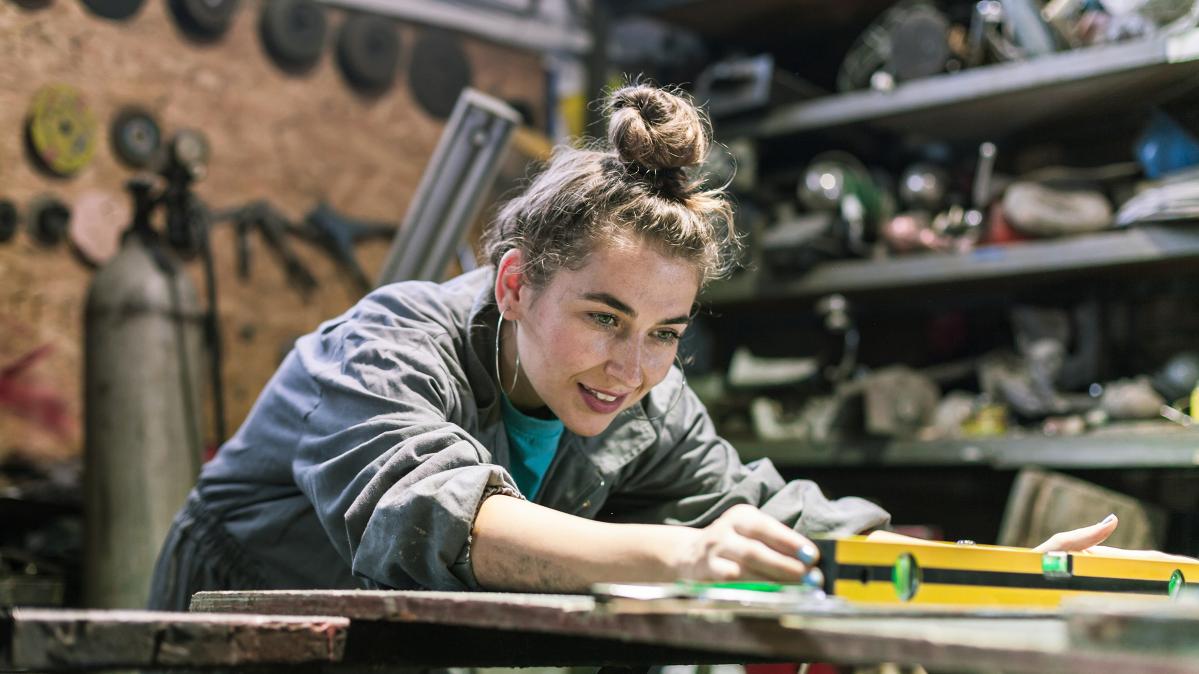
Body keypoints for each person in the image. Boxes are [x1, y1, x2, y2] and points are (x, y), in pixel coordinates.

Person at [149, 83, 1137, 610]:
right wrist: (683, 555)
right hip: (226, 640)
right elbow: (449, 521)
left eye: (664, 331)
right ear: (513, 283)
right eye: (603, 316)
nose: (630, 369)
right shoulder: (384, 346)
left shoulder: (642, 402)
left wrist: (987, 569)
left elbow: (765, 515)